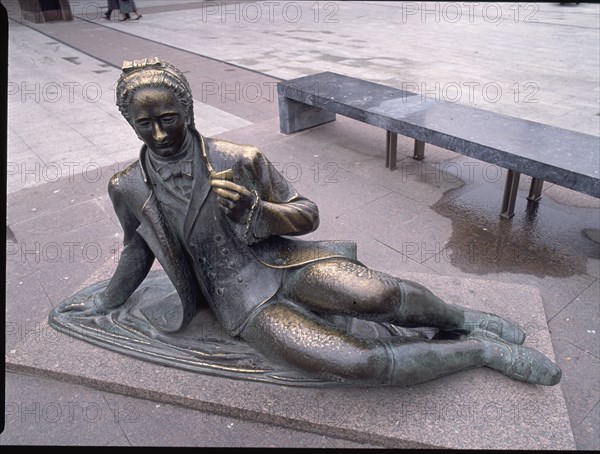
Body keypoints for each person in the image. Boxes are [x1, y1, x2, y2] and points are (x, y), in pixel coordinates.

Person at [57, 57, 561, 387]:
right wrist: (106, 300)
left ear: (187, 109)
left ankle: (458, 319)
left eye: (168, 116)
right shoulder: (127, 186)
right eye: (145, 123)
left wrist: (257, 213)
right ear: (129, 123)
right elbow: (135, 251)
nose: (160, 131)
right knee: (355, 363)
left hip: (287, 263)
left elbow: (306, 214)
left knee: (378, 297)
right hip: (240, 303)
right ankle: (477, 353)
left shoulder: (238, 157)